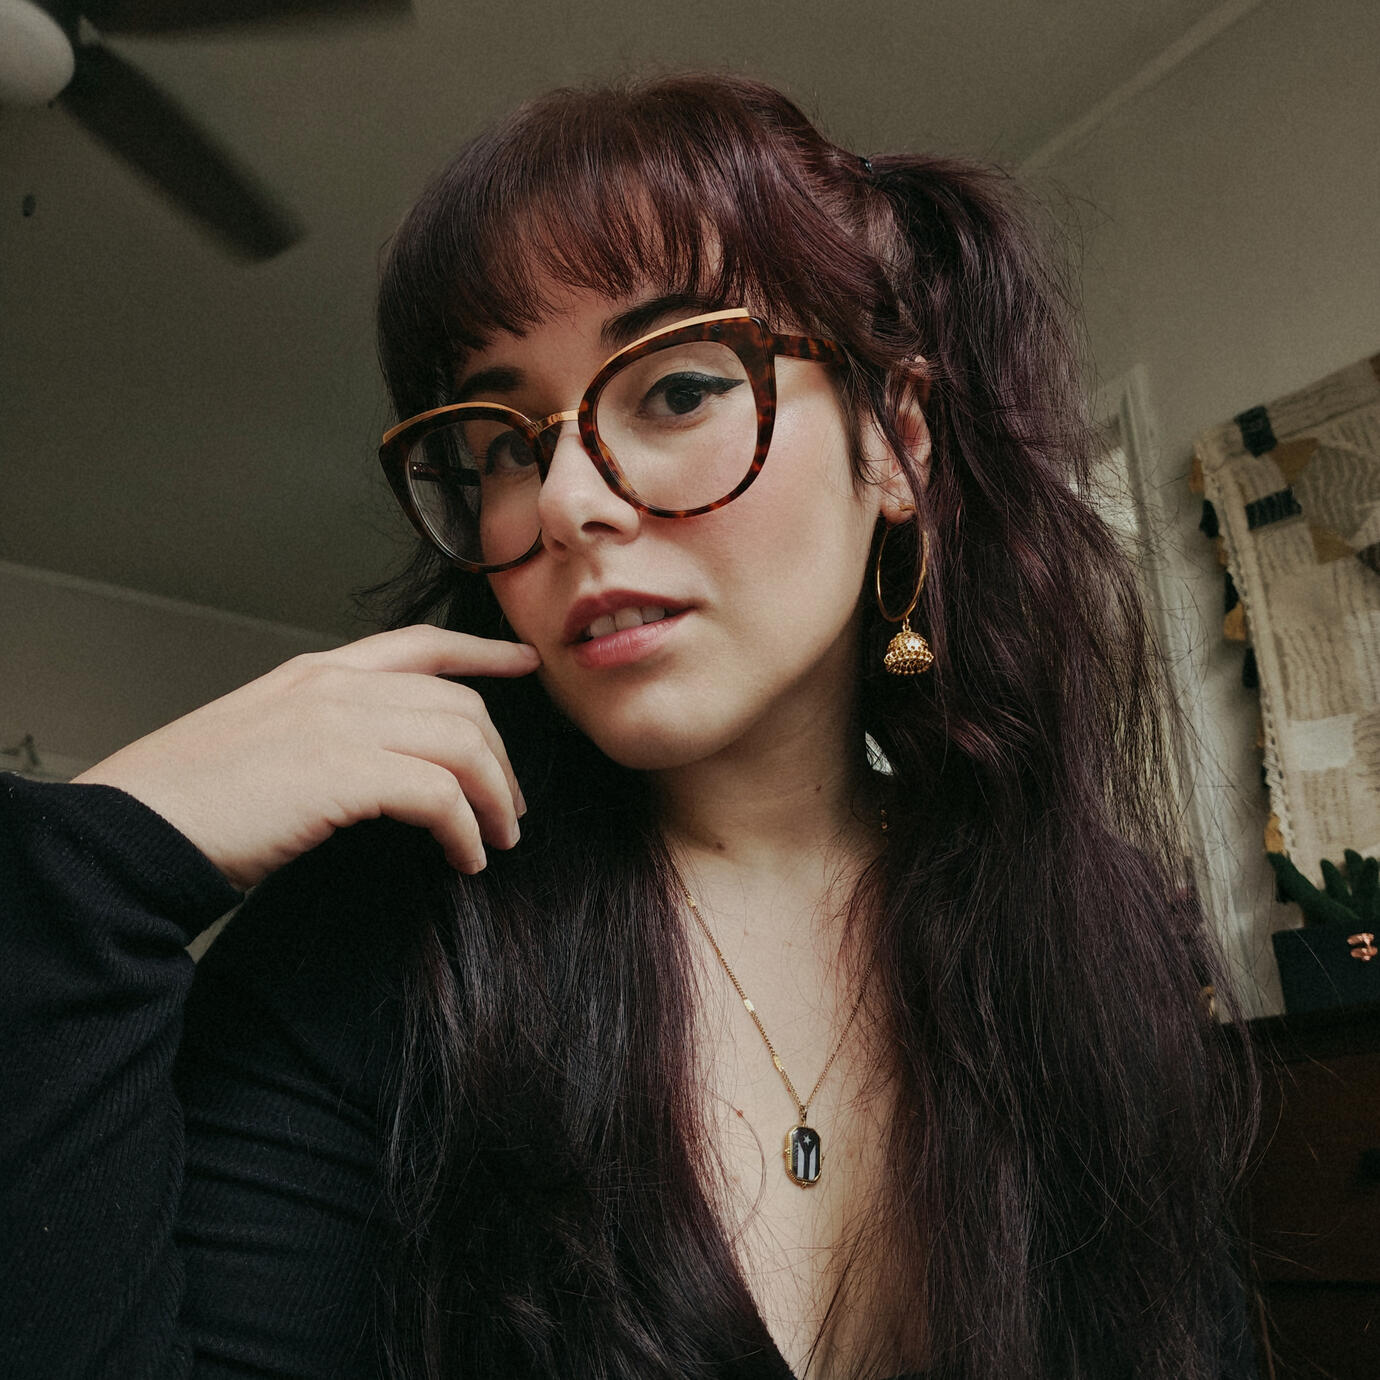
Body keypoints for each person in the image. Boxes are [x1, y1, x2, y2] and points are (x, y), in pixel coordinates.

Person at [1, 73, 1259, 1379]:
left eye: (677, 389)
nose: (563, 499)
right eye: (503, 443)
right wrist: (87, 868)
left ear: (896, 442)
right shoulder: (384, 948)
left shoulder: (1093, 939)